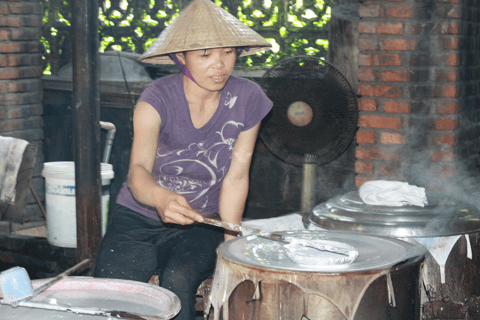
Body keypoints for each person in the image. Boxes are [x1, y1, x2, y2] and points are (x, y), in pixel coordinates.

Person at [94, 0, 273, 319]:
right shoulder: (156, 97)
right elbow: (138, 171)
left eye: (228, 52)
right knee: (111, 296)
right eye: (205, 55)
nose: (219, 65)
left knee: (179, 281)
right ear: (181, 57)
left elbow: (236, 175)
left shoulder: (248, 98)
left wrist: (231, 242)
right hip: (137, 215)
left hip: (200, 220)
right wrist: (159, 197)